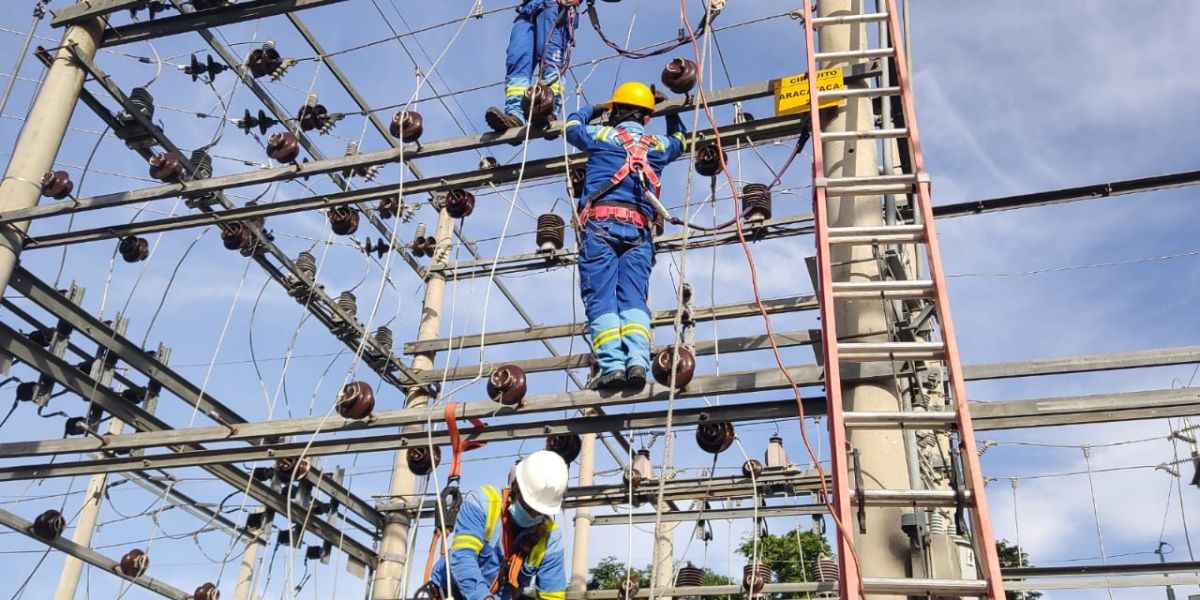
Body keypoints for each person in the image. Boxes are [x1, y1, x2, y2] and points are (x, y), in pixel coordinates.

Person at [564, 82, 688, 390]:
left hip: (600, 227)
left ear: (614, 111)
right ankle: (637, 363)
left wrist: (593, 108)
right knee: (634, 299)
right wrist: (669, 109)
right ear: (647, 118)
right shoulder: (657, 145)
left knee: (601, 298)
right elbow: (680, 141)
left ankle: (612, 366)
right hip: (639, 233)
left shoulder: (601, 135)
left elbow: (570, 127)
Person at [425, 451, 569, 600]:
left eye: (539, 512)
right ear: (514, 487)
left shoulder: (551, 538)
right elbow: (463, 556)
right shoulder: (482, 504)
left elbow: (553, 594)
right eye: (527, 506)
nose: (532, 515)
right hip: (450, 590)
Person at [485, 0, 580, 133]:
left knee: (551, 60)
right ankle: (515, 115)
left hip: (556, 6)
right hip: (528, 11)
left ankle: (548, 109)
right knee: (517, 58)